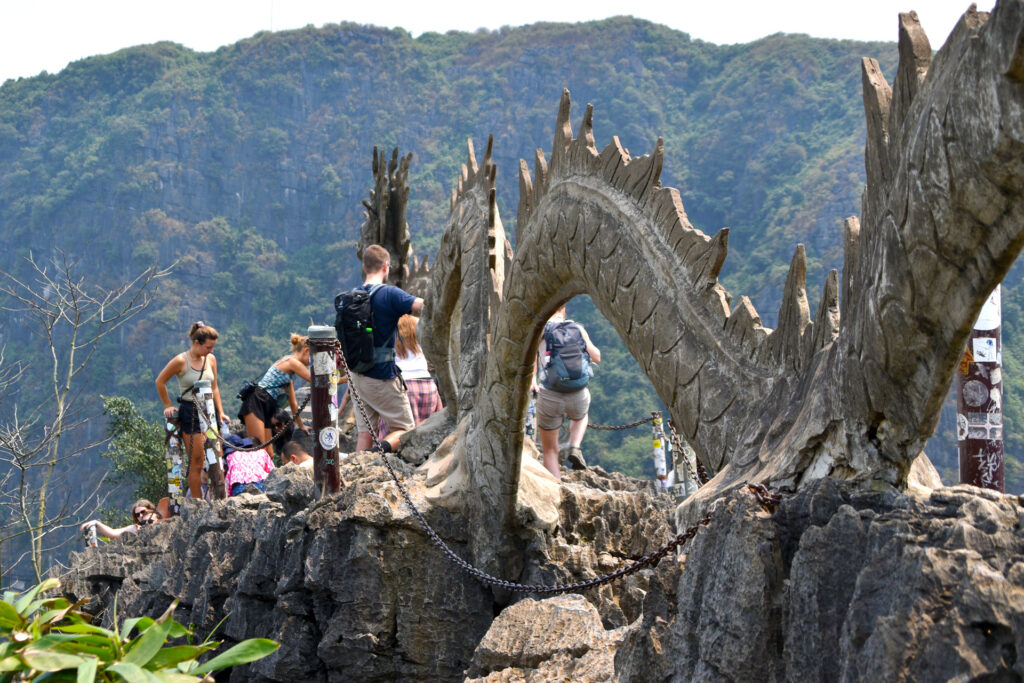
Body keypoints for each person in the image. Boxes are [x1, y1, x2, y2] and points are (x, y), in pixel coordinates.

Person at [343, 244, 424, 453]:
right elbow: (421, 306)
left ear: (364, 267)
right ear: (386, 267)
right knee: (405, 430)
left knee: (365, 432)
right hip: (381, 376)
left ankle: (357, 472)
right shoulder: (389, 294)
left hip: (356, 375)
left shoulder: (351, 297)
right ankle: (378, 452)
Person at [156, 321, 228, 499]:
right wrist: (168, 405)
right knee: (197, 461)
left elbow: (215, 387)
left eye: (213, 347)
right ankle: (197, 503)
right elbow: (160, 381)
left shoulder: (211, 359)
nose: (211, 351)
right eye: (208, 347)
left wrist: (221, 411)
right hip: (191, 410)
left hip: (209, 409)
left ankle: (219, 498)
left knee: (216, 458)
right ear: (197, 343)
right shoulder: (181, 361)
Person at [531, 304, 601, 479]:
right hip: (578, 393)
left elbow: (530, 359)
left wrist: (533, 381)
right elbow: (597, 357)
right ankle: (574, 446)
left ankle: (556, 490)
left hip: (549, 394)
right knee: (581, 415)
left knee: (549, 450)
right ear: (563, 310)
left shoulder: (540, 331)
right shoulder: (577, 328)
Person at [238, 334, 312, 458]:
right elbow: (314, 379)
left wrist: (301, 426)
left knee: (269, 454)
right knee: (258, 451)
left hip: (267, 408)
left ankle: (268, 477)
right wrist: (341, 378)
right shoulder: (292, 362)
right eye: (313, 357)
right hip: (257, 402)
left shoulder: (288, 374)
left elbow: (293, 403)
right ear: (306, 351)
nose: (311, 363)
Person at [378, 314, 443, 438]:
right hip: (427, 385)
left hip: (401, 385)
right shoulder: (419, 322)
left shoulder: (387, 326)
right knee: (427, 432)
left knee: (397, 433)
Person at [80, 499, 164, 540]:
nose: (141, 515)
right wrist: (96, 523)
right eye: (137, 514)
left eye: (143, 512)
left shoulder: (162, 522)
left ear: (151, 510)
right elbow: (113, 532)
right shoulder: (135, 528)